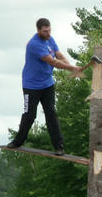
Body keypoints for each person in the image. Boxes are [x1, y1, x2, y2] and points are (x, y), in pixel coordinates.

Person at [7, 18, 83, 156]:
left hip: (47, 84)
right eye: (45, 31)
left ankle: (59, 146)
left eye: (49, 30)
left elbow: (59, 55)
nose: (48, 33)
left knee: (51, 113)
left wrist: (71, 67)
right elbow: (53, 61)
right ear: (38, 30)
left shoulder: (50, 39)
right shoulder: (34, 44)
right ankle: (18, 141)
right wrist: (72, 68)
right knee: (30, 115)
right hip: (31, 86)